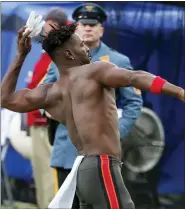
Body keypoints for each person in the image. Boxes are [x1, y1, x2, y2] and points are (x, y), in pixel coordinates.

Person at [1, 24, 184, 209]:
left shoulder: (49, 92)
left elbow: (5, 99)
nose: (87, 48)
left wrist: (20, 55)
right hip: (102, 166)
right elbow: (134, 77)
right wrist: (178, 92)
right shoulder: (95, 71)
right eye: (81, 45)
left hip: (83, 172)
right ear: (69, 54)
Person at [41, 4, 142, 207]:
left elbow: (133, 103)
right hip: (67, 149)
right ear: (76, 29)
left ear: (101, 30)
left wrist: (113, 133)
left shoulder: (117, 61)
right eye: (83, 24)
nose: (87, 28)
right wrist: (56, 112)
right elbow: (43, 96)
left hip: (102, 155)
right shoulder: (61, 59)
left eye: (92, 25)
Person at [26, 7, 68, 208]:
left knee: (50, 179)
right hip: (38, 121)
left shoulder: (60, 53)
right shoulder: (48, 52)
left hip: (48, 124)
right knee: (42, 176)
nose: (43, 30)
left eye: (47, 26)